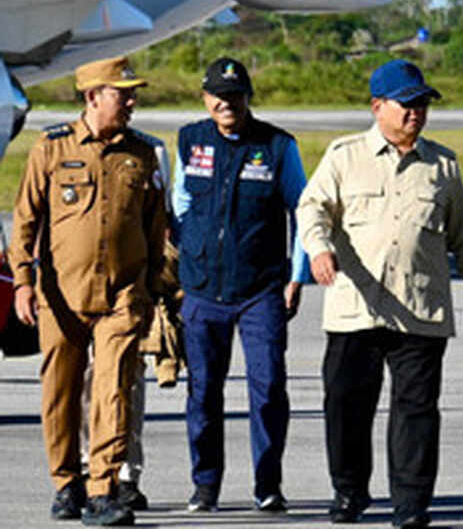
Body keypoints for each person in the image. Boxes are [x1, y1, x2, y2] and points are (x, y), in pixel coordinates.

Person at [296, 59, 463, 528]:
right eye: (406, 104)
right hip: (355, 309)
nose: (416, 113)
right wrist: (319, 250)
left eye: (422, 104)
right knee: (346, 406)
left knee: (416, 414)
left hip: (419, 310)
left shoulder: (443, 164)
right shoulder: (344, 156)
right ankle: (349, 493)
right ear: (377, 106)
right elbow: (312, 208)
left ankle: (410, 505)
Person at [8, 56, 167, 526]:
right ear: (93, 96)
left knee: (112, 389)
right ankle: (66, 482)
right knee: (59, 391)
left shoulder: (142, 153)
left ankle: (103, 488)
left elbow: (155, 226)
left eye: (133, 92)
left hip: (123, 293)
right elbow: (25, 220)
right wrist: (22, 282)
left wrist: (157, 288)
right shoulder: (51, 148)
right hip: (61, 295)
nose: (132, 101)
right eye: (123, 93)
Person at [173, 57, 308, 513]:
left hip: (261, 290)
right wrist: (187, 259)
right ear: (205, 97)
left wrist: (297, 275)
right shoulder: (190, 140)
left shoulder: (276, 145)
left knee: (268, 387)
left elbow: (302, 211)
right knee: (203, 391)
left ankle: (267, 484)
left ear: (248, 98)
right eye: (218, 95)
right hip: (202, 289)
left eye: (235, 95)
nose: (226, 103)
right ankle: (205, 485)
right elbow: (181, 201)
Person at [79, 129, 174, 513]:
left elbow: (163, 217)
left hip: (128, 285)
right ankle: (88, 465)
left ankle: (125, 473)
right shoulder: (62, 147)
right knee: (86, 377)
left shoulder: (151, 149)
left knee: (126, 377)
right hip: (79, 284)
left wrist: (161, 283)